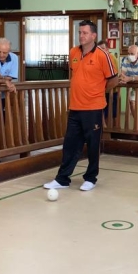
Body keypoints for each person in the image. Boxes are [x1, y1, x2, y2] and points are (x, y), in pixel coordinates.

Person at [43, 21, 118, 191]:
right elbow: (76, 73)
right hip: (75, 107)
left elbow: (113, 79)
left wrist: (98, 90)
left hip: (93, 107)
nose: (81, 35)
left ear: (93, 36)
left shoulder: (102, 55)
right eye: (80, 32)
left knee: (92, 145)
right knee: (70, 144)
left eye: (85, 33)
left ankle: (90, 178)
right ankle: (62, 178)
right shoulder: (73, 52)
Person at [98, 40, 119, 128]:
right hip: (101, 90)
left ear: (107, 49)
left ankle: (113, 132)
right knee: (102, 111)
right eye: (99, 49)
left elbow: (114, 75)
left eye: (103, 49)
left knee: (112, 113)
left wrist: (106, 89)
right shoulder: (99, 58)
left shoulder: (111, 57)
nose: (101, 51)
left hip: (111, 90)